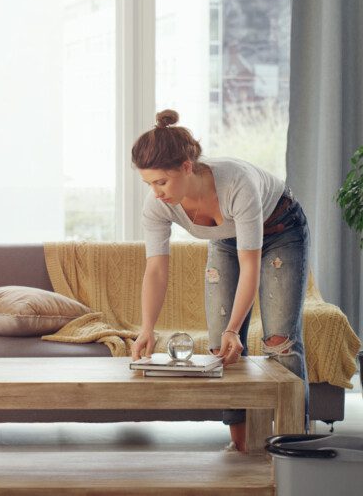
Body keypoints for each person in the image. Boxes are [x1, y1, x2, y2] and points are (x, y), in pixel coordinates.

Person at [130, 109, 310, 452]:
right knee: (219, 349)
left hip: (280, 229)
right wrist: (147, 328)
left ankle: (294, 450)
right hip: (227, 240)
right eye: (148, 183)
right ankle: (243, 447)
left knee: (279, 342)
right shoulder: (158, 205)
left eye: (161, 182)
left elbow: (250, 266)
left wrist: (235, 328)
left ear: (186, 166)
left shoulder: (236, 183)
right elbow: (156, 269)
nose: (155, 192)